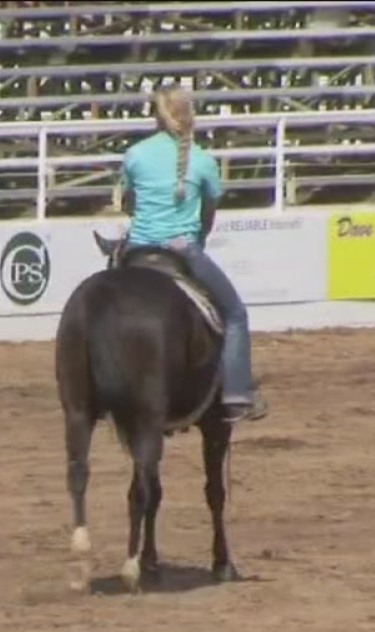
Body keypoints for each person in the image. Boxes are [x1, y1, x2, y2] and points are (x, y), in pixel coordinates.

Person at [120, 85, 268, 424]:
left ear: (156, 116)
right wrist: (196, 237)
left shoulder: (135, 154)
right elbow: (208, 214)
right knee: (234, 315)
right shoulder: (203, 161)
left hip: (137, 248)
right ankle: (236, 395)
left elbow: (128, 202)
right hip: (182, 250)